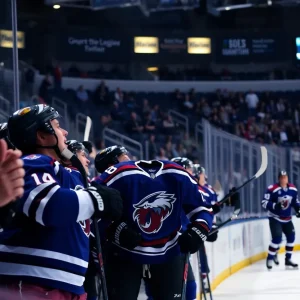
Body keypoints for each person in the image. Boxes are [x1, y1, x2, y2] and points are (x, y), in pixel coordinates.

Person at [0, 104, 123, 300]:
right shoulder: (31, 162)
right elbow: (49, 206)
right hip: (35, 282)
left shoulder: (66, 173)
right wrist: (97, 199)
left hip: (65, 284)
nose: (65, 131)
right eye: (57, 125)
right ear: (42, 136)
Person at [93, 149, 213, 300]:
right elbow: (92, 207)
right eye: (123, 156)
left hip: (168, 255)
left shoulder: (178, 174)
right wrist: (113, 229)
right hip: (123, 255)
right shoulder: (117, 175)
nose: (127, 157)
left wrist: (200, 229)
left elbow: (202, 209)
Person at [262, 170, 300, 270]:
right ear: (279, 179)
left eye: (285, 177)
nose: (284, 179)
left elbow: (295, 202)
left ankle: (288, 259)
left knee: (291, 238)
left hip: (287, 218)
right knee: (277, 239)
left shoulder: (293, 189)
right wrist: (275, 205)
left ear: (287, 178)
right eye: (282, 177)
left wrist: (298, 209)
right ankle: (270, 258)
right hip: (275, 218)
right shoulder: (272, 189)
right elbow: (264, 202)